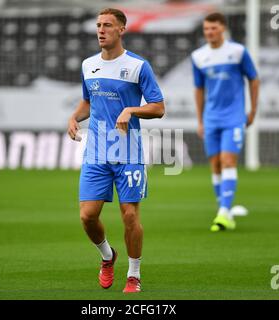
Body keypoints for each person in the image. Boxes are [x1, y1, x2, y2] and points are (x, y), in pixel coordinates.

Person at [67, 8, 165, 293]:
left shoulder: (137, 66)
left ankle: (134, 274)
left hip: (128, 152)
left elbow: (158, 108)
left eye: (107, 25)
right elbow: (88, 101)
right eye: (98, 25)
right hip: (96, 152)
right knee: (87, 216)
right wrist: (74, 117)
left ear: (121, 29)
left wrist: (131, 109)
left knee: (130, 215)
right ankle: (108, 256)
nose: (101, 30)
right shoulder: (89, 65)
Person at [191, 12, 260, 232]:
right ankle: (226, 209)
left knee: (228, 160)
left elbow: (254, 79)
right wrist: (200, 120)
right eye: (206, 29)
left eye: (213, 28)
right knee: (216, 165)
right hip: (211, 118)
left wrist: (252, 110)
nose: (209, 32)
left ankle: (222, 213)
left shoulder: (238, 52)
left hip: (234, 117)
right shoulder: (198, 56)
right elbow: (199, 89)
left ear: (223, 28)